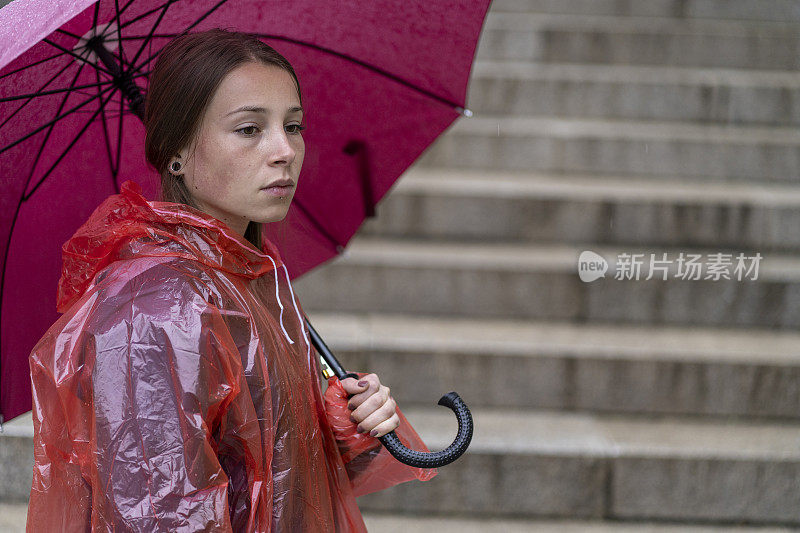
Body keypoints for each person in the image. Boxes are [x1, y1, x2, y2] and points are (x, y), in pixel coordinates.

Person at [26, 28, 436, 532]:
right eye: (249, 129)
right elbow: (159, 516)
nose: (284, 150)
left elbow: (283, 478)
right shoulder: (155, 311)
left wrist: (342, 425)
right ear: (176, 153)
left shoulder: (251, 276)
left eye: (294, 125)